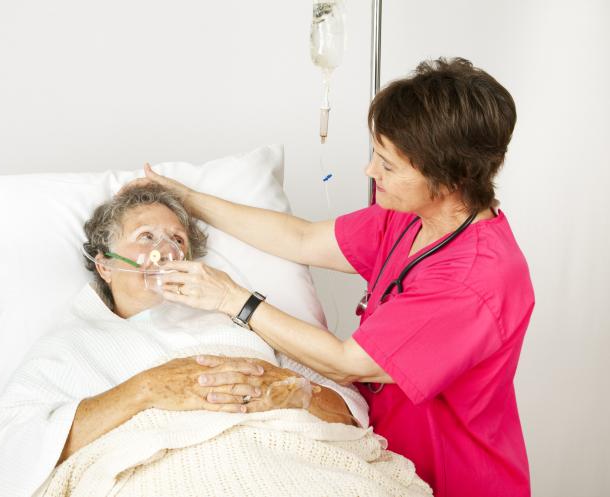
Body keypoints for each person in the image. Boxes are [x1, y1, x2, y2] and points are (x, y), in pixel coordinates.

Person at [135, 58, 535, 497]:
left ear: (451, 177)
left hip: (452, 479)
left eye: (388, 164)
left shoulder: (474, 281)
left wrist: (232, 299)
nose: (370, 172)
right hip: (381, 459)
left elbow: (345, 360)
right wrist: (189, 199)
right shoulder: (409, 219)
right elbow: (302, 239)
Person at [0, 183, 432, 497]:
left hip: (286, 459)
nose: (164, 250)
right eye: (145, 235)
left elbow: (349, 412)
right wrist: (145, 390)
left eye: (176, 239)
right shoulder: (71, 344)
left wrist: (292, 391)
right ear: (104, 263)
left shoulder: (236, 321)